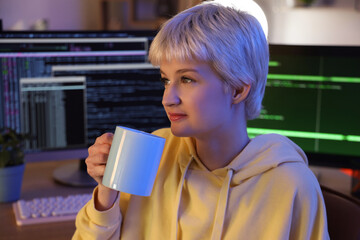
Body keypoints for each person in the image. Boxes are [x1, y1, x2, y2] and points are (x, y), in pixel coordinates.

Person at [73, 1, 329, 239]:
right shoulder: (152, 154)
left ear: (238, 90)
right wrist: (107, 193)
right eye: (165, 79)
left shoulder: (293, 186)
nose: (167, 99)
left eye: (187, 79)